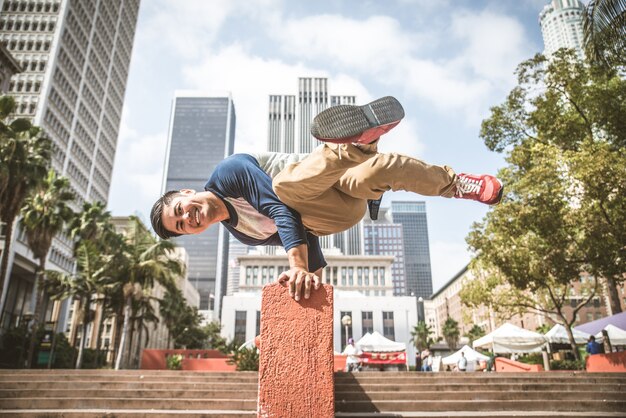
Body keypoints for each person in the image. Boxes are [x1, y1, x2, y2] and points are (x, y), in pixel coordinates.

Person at [150, 96, 504, 300]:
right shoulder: (243, 232)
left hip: (332, 181)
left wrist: (298, 267)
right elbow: (305, 235)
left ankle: (453, 184)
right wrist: (310, 285)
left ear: (185, 193)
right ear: (191, 234)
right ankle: (357, 146)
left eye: (181, 210)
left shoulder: (228, 172)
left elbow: (278, 210)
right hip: (333, 214)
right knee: (287, 194)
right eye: (182, 226)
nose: (189, 218)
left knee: (377, 171)